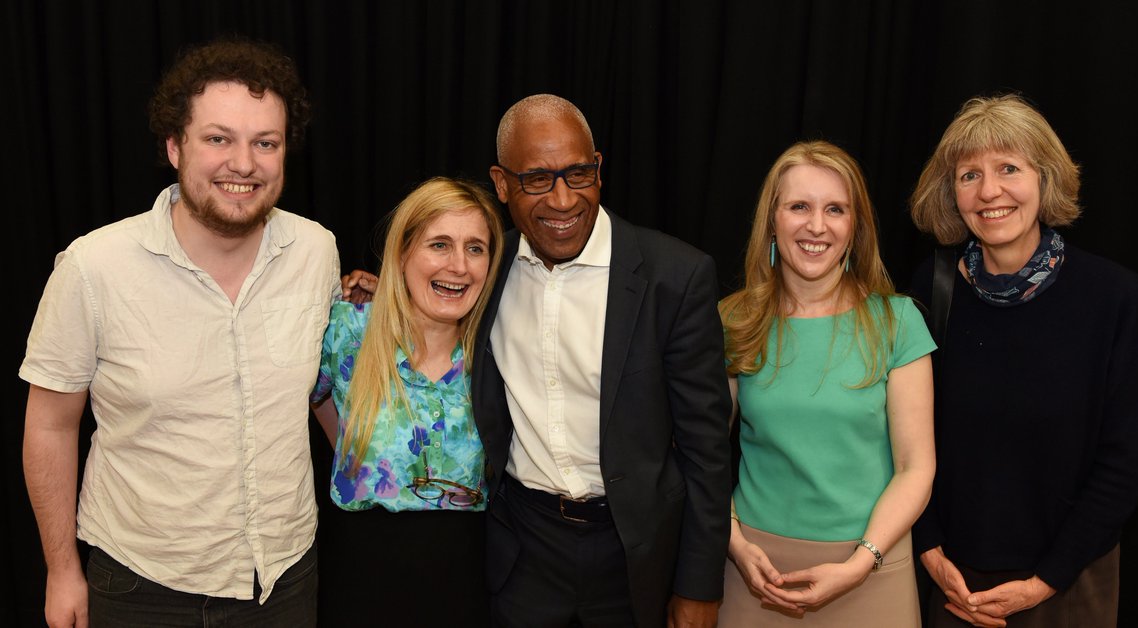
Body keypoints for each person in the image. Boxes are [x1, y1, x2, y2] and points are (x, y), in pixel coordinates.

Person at [20, 38, 343, 627]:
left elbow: (322, 385)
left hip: (285, 581)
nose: (243, 164)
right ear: (175, 146)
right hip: (141, 585)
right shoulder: (93, 268)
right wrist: (62, 569)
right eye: (218, 139)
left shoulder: (316, 251)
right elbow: (49, 424)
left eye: (264, 143)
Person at [474, 94, 733, 627]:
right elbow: (425, 298)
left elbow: (708, 452)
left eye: (578, 173)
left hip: (635, 556)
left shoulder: (674, 278)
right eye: (538, 180)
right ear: (501, 185)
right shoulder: (485, 271)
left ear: (600, 168)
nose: (564, 200)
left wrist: (699, 586)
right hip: (522, 552)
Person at [908, 94, 1138, 627]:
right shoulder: (931, 288)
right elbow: (905, 434)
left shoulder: (1111, 296)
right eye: (969, 175)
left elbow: (1126, 460)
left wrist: (1047, 581)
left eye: (1008, 169)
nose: (989, 191)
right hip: (955, 583)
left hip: (1070, 582)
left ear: (1045, 179)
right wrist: (927, 548)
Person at [718, 140, 936, 626]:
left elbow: (915, 467)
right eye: (799, 206)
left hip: (871, 568)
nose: (816, 226)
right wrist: (730, 539)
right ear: (772, 219)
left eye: (835, 209)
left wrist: (860, 564)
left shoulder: (898, 322)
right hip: (755, 572)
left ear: (854, 227)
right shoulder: (734, 322)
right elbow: (699, 450)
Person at [309, 176, 504, 626]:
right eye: (439, 245)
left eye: (475, 248)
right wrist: (353, 449)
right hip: (359, 573)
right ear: (403, 254)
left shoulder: (499, 351)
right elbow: (316, 396)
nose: (459, 265)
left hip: (466, 577)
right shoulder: (347, 329)